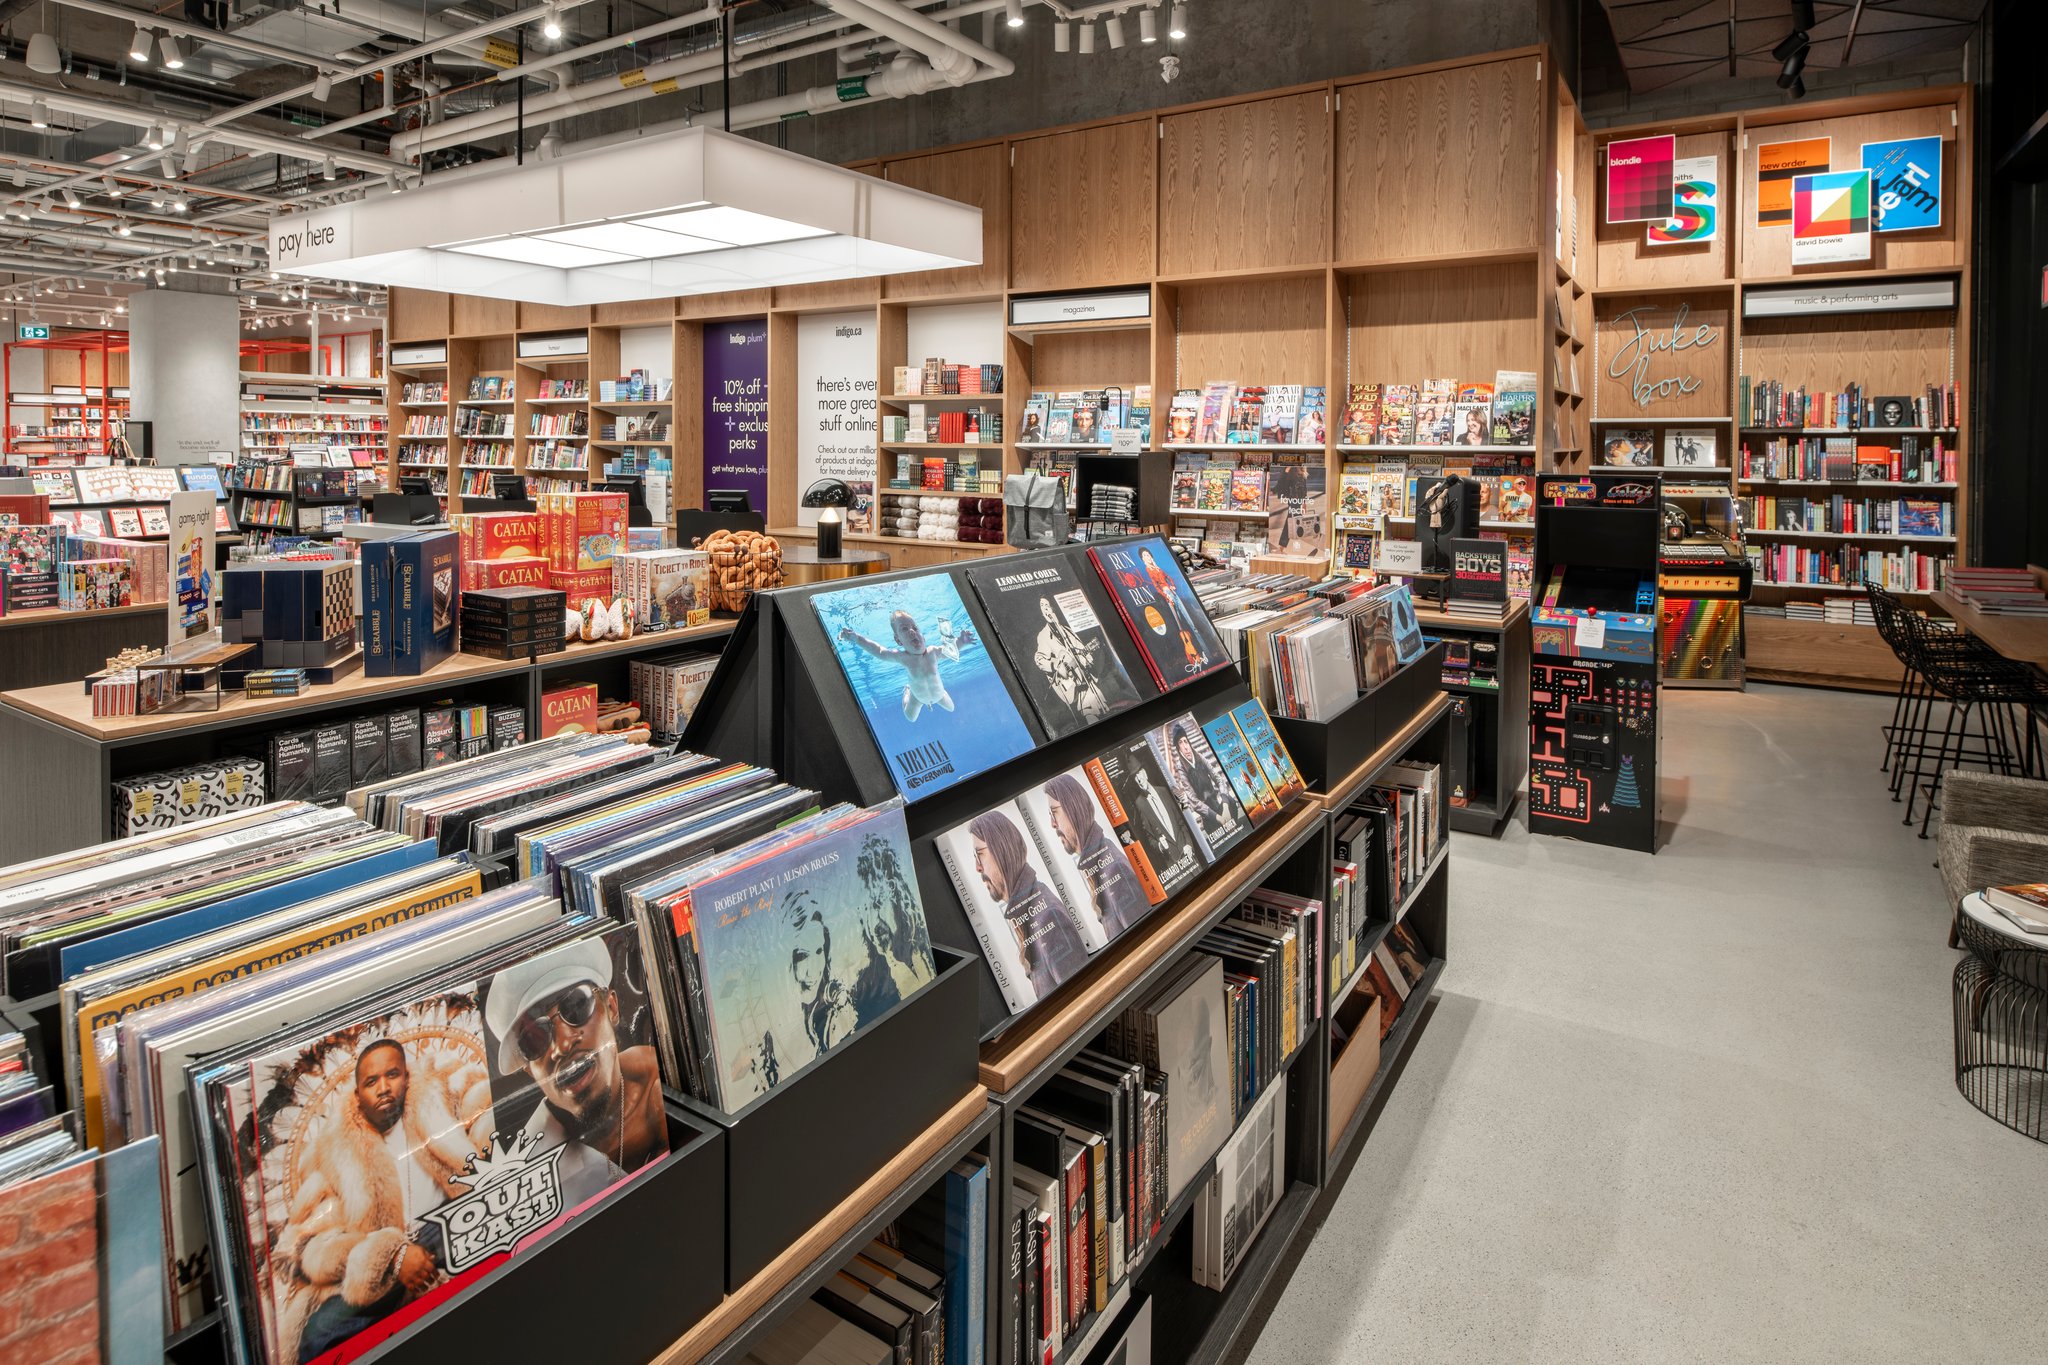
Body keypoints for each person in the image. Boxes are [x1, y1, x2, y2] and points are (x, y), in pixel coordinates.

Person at [287, 1038, 482, 1364]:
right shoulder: (334, 1152)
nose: (383, 1088)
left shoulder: (438, 1097)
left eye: (392, 1075)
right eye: (371, 1082)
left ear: (406, 1076)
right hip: (381, 1262)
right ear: (357, 1093)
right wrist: (393, 1255)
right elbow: (314, 1245)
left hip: (450, 1225)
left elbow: (484, 1111)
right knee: (318, 1333)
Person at [485, 938, 666, 1208]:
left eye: (576, 1006)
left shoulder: (663, 1076)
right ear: (528, 1070)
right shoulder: (524, 1178)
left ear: (612, 1008)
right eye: (534, 1039)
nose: (562, 1046)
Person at [969, 808, 1087, 1001]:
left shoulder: (1047, 917)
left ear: (1003, 852)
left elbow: (1080, 999)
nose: (978, 868)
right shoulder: (1030, 907)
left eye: (980, 855)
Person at [1042, 771, 1149, 937]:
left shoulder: (1114, 870)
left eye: (1054, 812)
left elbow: (1144, 939)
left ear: (1074, 809)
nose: (1052, 824)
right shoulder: (1100, 862)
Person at [837, 610, 979, 721]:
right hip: (917, 697)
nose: (911, 631)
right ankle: (907, 692)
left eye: (915, 628)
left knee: (952, 708)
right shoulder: (903, 657)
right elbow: (880, 651)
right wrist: (857, 639)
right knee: (911, 718)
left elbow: (950, 650)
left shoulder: (933, 652)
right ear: (898, 641)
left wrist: (962, 641)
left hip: (939, 695)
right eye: (904, 629)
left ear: (923, 637)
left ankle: (941, 692)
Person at [1033, 594, 1116, 726]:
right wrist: (1055, 665)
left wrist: (1087, 659)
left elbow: (1081, 649)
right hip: (1069, 682)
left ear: (1053, 608)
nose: (1045, 609)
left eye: (1047, 605)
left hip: (1083, 677)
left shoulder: (1067, 630)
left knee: (1098, 705)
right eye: (1042, 606)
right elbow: (1039, 659)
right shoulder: (1043, 635)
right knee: (1089, 708)